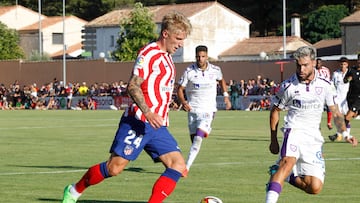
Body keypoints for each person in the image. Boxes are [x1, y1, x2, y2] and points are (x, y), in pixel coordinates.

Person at [61, 11, 192, 203]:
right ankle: (73, 191)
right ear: (165, 34)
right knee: (114, 168)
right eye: (178, 38)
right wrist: (148, 111)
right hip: (138, 121)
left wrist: (169, 104)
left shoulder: (168, 58)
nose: (181, 43)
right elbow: (132, 85)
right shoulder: (148, 54)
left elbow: (157, 88)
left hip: (157, 126)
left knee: (178, 165)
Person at [265, 46, 357, 203]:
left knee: (314, 187)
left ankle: (282, 175)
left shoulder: (325, 85)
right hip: (293, 130)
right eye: (298, 65)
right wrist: (273, 140)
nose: (301, 69)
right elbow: (275, 111)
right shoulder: (288, 86)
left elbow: (335, 112)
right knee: (287, 162)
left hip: (313, 137)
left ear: (313, 63)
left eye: (305, 65)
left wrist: (346, 133)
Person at [177, 45, 231, 178]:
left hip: (208, 110)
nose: (200, 59)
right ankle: (202, 135)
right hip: (193, 110)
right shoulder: (189, 71)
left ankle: (186, 168)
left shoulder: (215, 70)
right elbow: (180, 89)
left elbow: (221, 80)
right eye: (198, 56)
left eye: (203, 56)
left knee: (198, 139)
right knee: (194, 139)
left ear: (207, 56)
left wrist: (225, 95)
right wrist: (183, 102)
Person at [330, 53, 360, 141]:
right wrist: (348, 79)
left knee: (347, 117)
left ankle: (340, 134)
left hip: (357, 99)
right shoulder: (352, 70)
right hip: (351, 98)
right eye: (359, 60)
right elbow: (345, 79)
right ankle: (343, 135)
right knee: (346, 117)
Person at [328, 57, 350, 141]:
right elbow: (332, 85)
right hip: (337, 98)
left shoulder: (350, 73)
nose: (342, 66)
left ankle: (341, 135)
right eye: (341, 64)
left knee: (347, 117)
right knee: (338, 117)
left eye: (344, 64)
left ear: (347, 64)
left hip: (347, 98)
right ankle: (341, 135)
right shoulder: (335, 73)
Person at [316, 58, 333, 129]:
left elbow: (328, 80)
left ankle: (329, 123)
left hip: (325, 90)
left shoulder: (325, 70)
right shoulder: (313, 70)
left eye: (319, 63)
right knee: (317, 108)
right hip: (316, 92)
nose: (318, 64)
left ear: (321, 63)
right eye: (317, 63)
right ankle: (318, 124)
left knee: (329, 106)